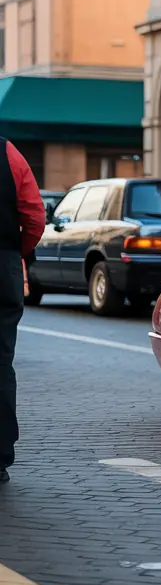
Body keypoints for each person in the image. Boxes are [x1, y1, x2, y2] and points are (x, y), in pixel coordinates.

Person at [0, 139, 44, 483]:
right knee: (1, 362)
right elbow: (33, 214)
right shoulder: (7, 152)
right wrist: (16, 252)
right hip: (3, 267)